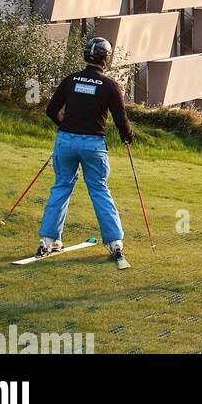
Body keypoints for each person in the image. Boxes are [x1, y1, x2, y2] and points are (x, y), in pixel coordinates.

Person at [36, 35, 132, 265]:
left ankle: (48, 241)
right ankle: (114, 243)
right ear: (106, 58)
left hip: (65, 142)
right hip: (93, 145)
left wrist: (67, 129)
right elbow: (121, 120)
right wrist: (128, 137)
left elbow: (51, 111)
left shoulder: (70, 80)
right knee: (99, 190)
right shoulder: (110, 86)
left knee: (61, 187)